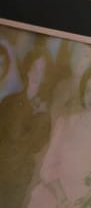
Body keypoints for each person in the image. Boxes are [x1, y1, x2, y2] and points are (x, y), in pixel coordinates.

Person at [27, 64, 91, 208]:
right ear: (83, 92)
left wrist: (83, 202)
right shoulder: (65, 122)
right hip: (51, 195)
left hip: (80, 203)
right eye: (89, 91)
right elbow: (46, 168)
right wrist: (62, 199)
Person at [0, 50, 54, 208]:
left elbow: (37, 146)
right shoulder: (9, 102)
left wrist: (41, 116)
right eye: (34, 67)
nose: (37, 73)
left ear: (45, 76)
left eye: (42, 70)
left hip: (19, 178)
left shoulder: (45, 113)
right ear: (28, 69)